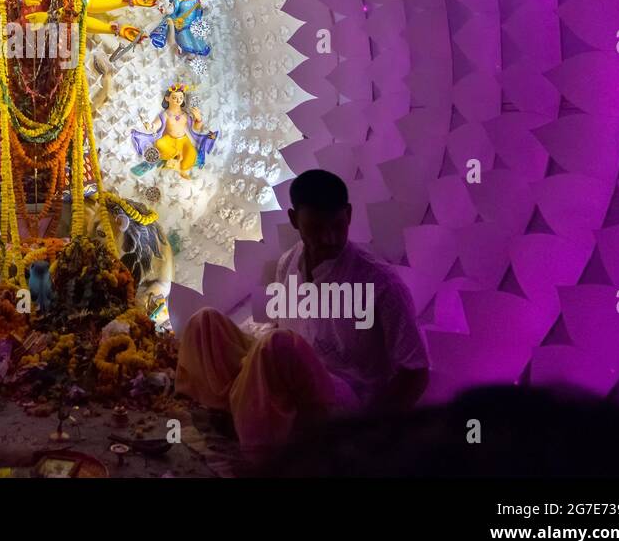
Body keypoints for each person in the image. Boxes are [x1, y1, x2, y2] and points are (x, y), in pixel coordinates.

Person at [175, 169, 429, 455]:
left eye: (337, 226)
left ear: (349, 214)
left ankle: (263, 451)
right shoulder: (288, 262)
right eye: (317, 229)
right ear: (295, 220)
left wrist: (368, 431)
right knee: (205, 324)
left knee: (277, 346)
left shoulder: (380, 282)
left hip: (343, 401)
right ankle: (235, 416)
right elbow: (275, 323)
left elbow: (416, 372)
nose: (330, 238)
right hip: (286, 379)